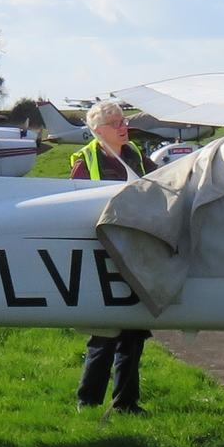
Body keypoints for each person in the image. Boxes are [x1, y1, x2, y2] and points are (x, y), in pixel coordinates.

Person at [72, 100, 152, 413]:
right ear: (98, 131)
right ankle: (88, 401)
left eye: (123, 121)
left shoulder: (136, 155)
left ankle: (126, 403)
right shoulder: (86, 159)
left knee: (134, 330)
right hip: (100, 251)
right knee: (104, 332)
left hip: (135, 248)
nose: (123, 127)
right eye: (116, 123)